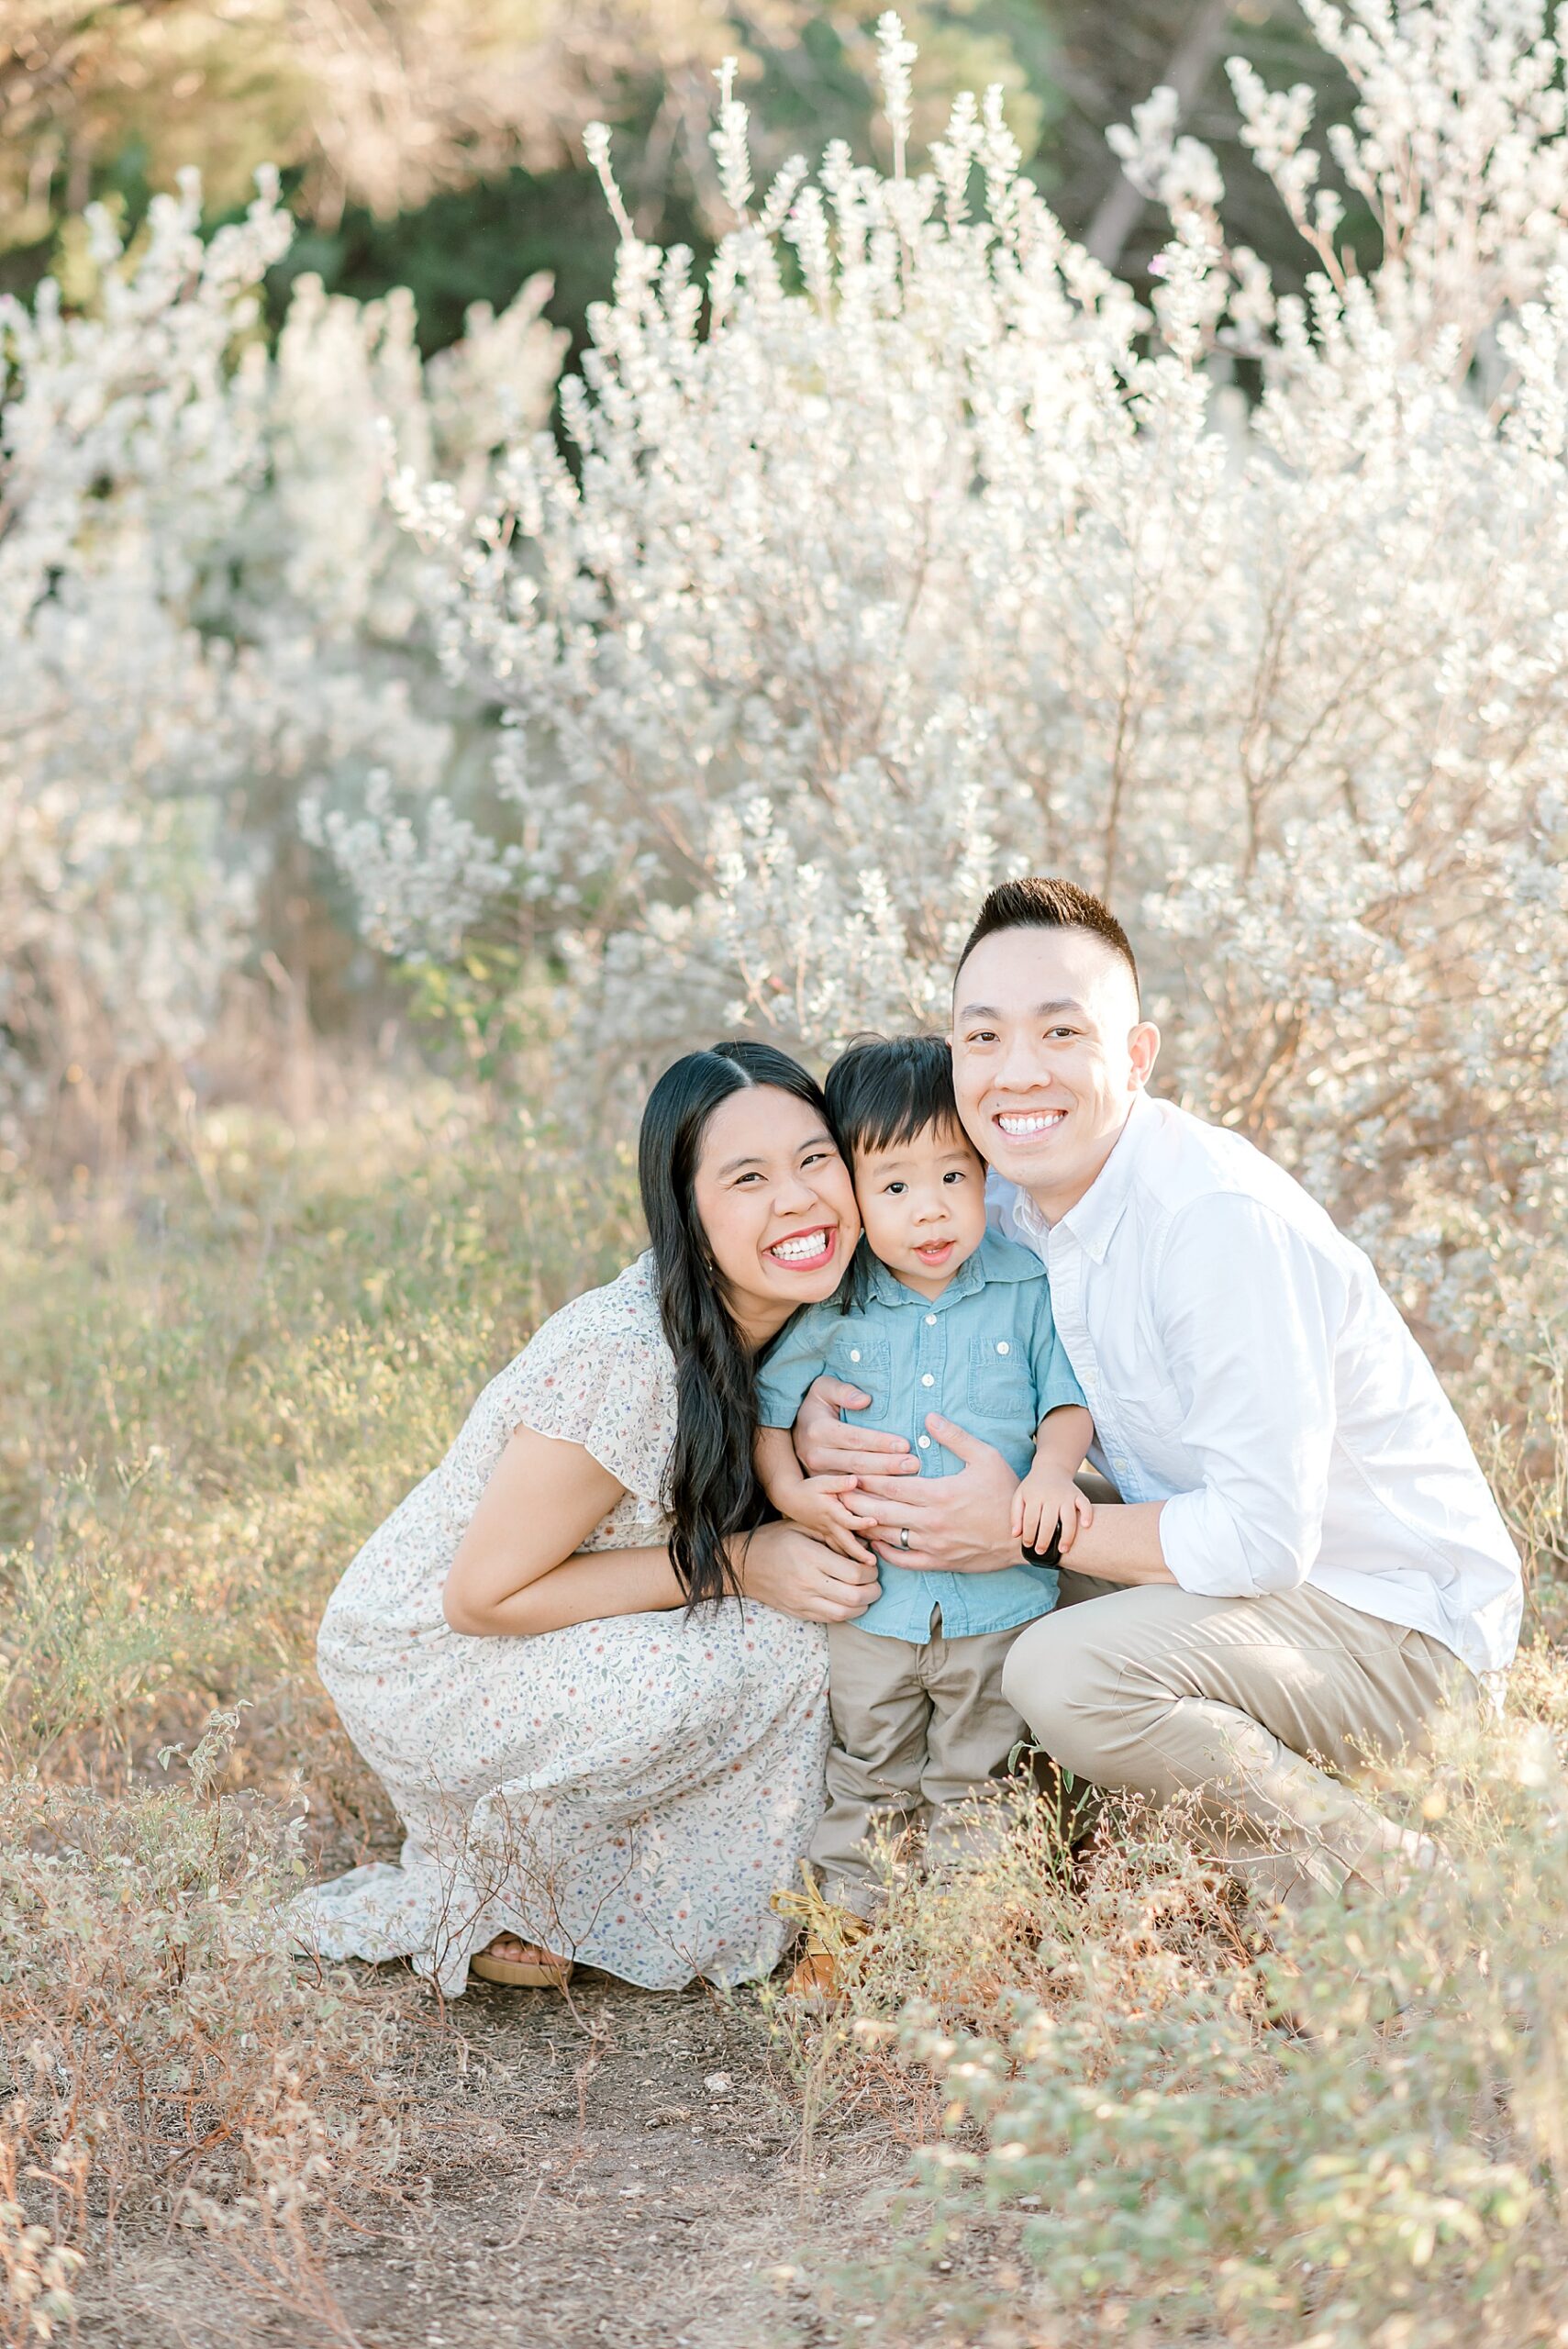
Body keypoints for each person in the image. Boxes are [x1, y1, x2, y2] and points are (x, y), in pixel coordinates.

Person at [793, 878, 1523, 1927]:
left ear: (1134, 1057)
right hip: (1260, 1603)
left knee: (1062, 1669)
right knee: (955, 1551)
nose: (1017, 1072)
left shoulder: (1208, 1221)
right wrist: (818, 1411)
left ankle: (1400, 1902)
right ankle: (974, 1870)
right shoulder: (998, 1189)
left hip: (1394, 1628)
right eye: (983, 1036)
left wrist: (1026, 1531)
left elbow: (1262, 1541)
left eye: (1060, 1031)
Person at [294, 1041, 878, 1996]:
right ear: (685, 1212)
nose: (799, 1200)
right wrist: (736, 1561)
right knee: (767, 1651)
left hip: (573, 1620)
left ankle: (579, 1884)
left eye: (815, 1159)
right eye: (747, 1178)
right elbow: (483, 1595)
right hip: (430, 1653)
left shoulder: (828, 1312)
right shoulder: (625, 1358)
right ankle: (497, 1888)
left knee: (804, 1628)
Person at [753, 1034, 1093, 1994]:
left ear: (987, 1171)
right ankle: (842, 1931)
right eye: (892, 1185)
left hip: (996, 1602)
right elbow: (768, 1413)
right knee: (866, 1767)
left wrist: (1055, 1472)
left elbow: (1066, 1399)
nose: (930, 1207)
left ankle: (966, 1940)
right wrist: (792, 1493)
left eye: (952, 1173)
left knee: (976, 1774)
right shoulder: (836, 1303)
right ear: (851, 1193)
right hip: (874, 1604)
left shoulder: (1024, 1286)